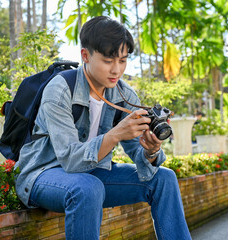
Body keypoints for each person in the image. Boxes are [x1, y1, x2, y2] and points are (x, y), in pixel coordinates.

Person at [14, 16, 192, 240]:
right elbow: (70, 160)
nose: (116, 70)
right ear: (85, 56)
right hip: (43, 174)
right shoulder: (60, 89)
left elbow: (138, 154)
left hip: (92, 175)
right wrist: (116, 133)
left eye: (123, 60)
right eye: (108, 61)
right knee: (88, 187)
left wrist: (150, 151)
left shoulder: (124, 94)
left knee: (164, 179)